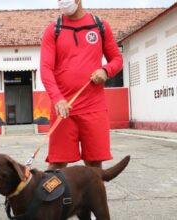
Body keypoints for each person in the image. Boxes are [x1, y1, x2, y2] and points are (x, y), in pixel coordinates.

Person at [40, 0, 123, 170]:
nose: (62, 2)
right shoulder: (53, 30)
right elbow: (45, 69)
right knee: (56, 165)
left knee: (94, 165)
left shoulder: (100, 26)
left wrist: (106, 71)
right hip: (63, 108)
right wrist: (57, 99)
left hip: (93, 107)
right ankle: (53, 197)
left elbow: (117, 59)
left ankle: (94, 197)